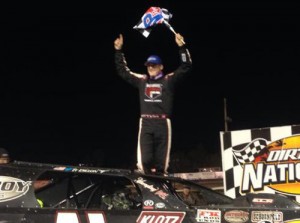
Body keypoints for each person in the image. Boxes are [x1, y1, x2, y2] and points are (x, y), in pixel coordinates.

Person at [114, 33, 192, 175]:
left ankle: (162, 185)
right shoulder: (142, 80)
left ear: (161, 66)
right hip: (146, 122)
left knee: (162, 165)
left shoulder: (168, 80)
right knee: (145, 161)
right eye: (148, 65)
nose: (150, 67)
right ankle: (147, 185)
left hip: (163, 123)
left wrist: (182, 47)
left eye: (154, 65)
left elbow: (186, 66)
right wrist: (119, 51)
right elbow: (123, 72)